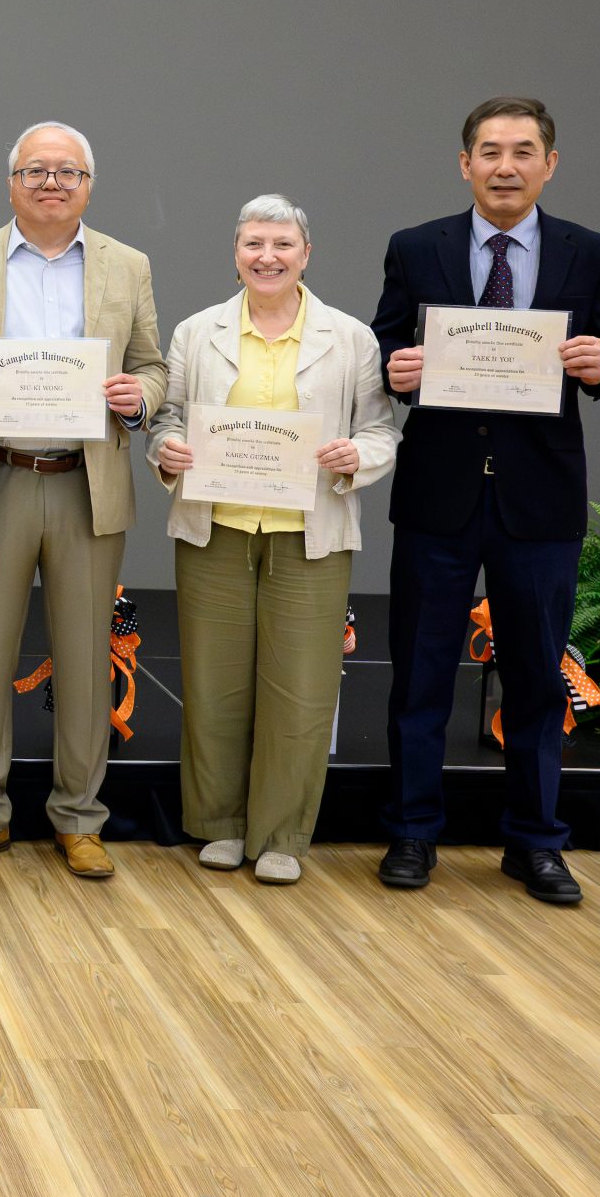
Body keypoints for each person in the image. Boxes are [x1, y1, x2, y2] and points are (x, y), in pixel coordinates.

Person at [371, 96, 600, 906]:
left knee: (533, 679)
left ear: (549, 164)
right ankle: (414, 833)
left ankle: (535, 843)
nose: (506, 166)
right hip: (438, 495)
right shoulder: (418, 247)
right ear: (465, 164)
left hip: (540, 501)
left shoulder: (592, 253)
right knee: (418, 678)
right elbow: (382, 343)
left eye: (523, 151)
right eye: (489, 151)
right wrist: (396, 366)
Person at [0, 122, 165, 880]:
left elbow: (153, 366)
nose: (51, 182)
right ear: (11, 181)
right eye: (35, 170)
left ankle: (79, 818)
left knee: (86, 659)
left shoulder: (128, 264)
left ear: (89, 183)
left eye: (68, 171)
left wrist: (135, 398)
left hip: (86, 483)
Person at [147, 195, 399, 884]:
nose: (268, 256)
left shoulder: (350, 338)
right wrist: (168, 449)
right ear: (236, 252)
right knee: (214, 685)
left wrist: (360, 456)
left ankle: (283, 833)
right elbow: (166, 418)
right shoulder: (197, 332)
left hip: (309, 535)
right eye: (255, 243)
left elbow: (381, 429)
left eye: (282, 244)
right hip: (215, 530)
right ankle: (221, 824)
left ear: (306, 253)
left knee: (302, 690)